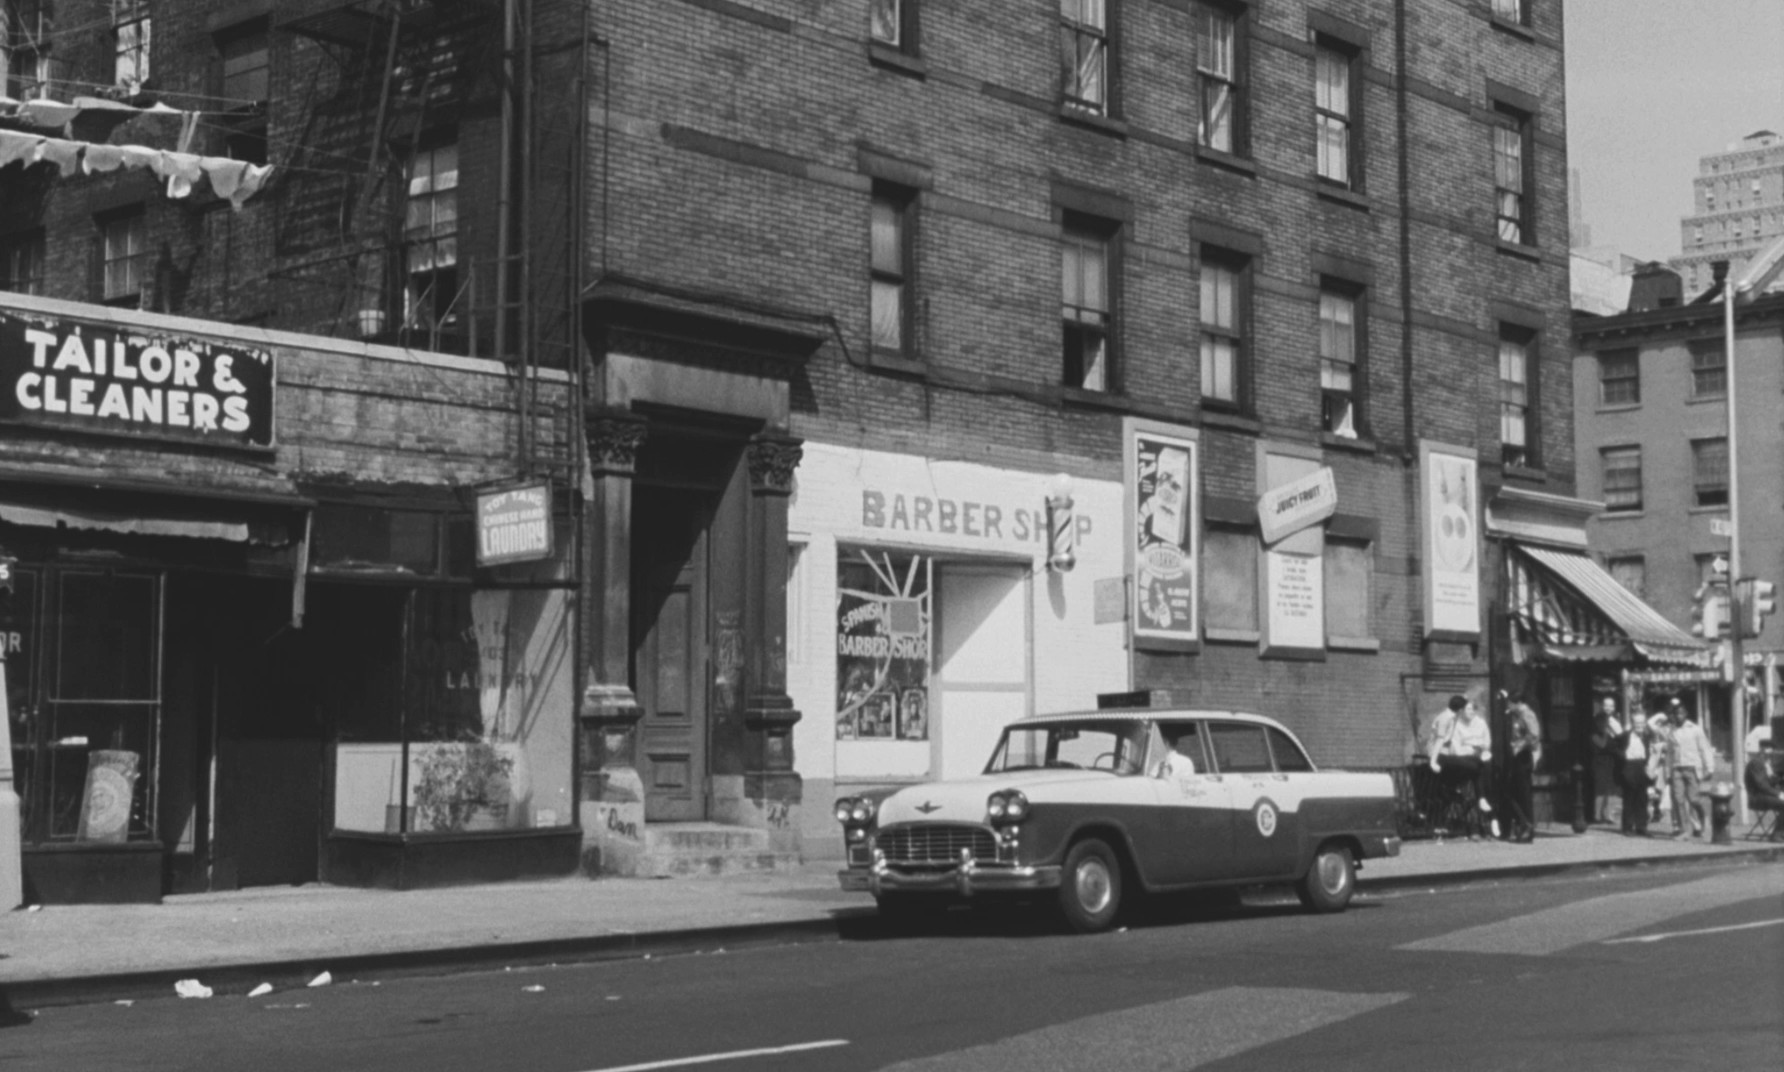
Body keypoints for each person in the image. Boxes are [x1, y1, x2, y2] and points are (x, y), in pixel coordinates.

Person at [1429, 694, 1494, 839]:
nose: (1467, 712)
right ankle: (1481, 799)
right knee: (1478, 767)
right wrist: (1433, 761)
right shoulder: (1447, 719)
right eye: (1465, 709)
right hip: (1442, 757)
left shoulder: (1451, 718)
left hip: (1449, 757)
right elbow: (1439, 742)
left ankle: (1481, 800)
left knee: (1477, 767)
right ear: (1460, 710)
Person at [1665, 701, 1716, 838]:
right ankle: (1684, 830)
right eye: (1676, 714)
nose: (1679, 716)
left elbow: (1704, 748)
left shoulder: (1695, 729)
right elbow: (1669, 753)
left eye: (1681, 713)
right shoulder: (1671, 731)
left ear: (1686, 714)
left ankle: (1703, 820)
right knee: (1678, 799)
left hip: (1692, 768)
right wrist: (1667, 771)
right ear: (1674, 715)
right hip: (1676, 768)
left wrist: (1709, 767)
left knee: (1694, 799)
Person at [1503, 692, 1542, 843]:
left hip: (1524, 757)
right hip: (1517, 757)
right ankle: (1523, 826)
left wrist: (1518, 746)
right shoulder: (1517, 715)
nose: (1508, 707)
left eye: (1509, 704)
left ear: (1516, 703)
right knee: (1516, 792)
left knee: (1524, 793)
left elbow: (1533, 735)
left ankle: (1528, 827)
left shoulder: (1527, 714)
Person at [1612, 710, 1656, 836]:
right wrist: (1623, 755)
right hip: (1629, 766)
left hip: (1642, 766)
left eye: (1642, 723)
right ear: (1632, 723)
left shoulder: (1647, 736)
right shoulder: (1624, 736)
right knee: (1629, 798)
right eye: (1637, 723)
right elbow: (1613, 747)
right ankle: (1627, 827)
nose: (1640, 726)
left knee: (1642, 798)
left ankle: (1641, 827)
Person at [1589, 696, 1623, 826]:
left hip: (1612, 758)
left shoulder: (1616, 721)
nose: (1608, 708)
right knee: (1600, 787)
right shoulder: (1597, 719)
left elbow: (1620, 737)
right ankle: (1598, 815)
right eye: (1606, 705)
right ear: (1602, 706)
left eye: (1611, 705)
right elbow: (1601, 741)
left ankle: (1609, 814)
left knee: (1611, 787)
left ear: (1614, 708)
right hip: (1600, 757)